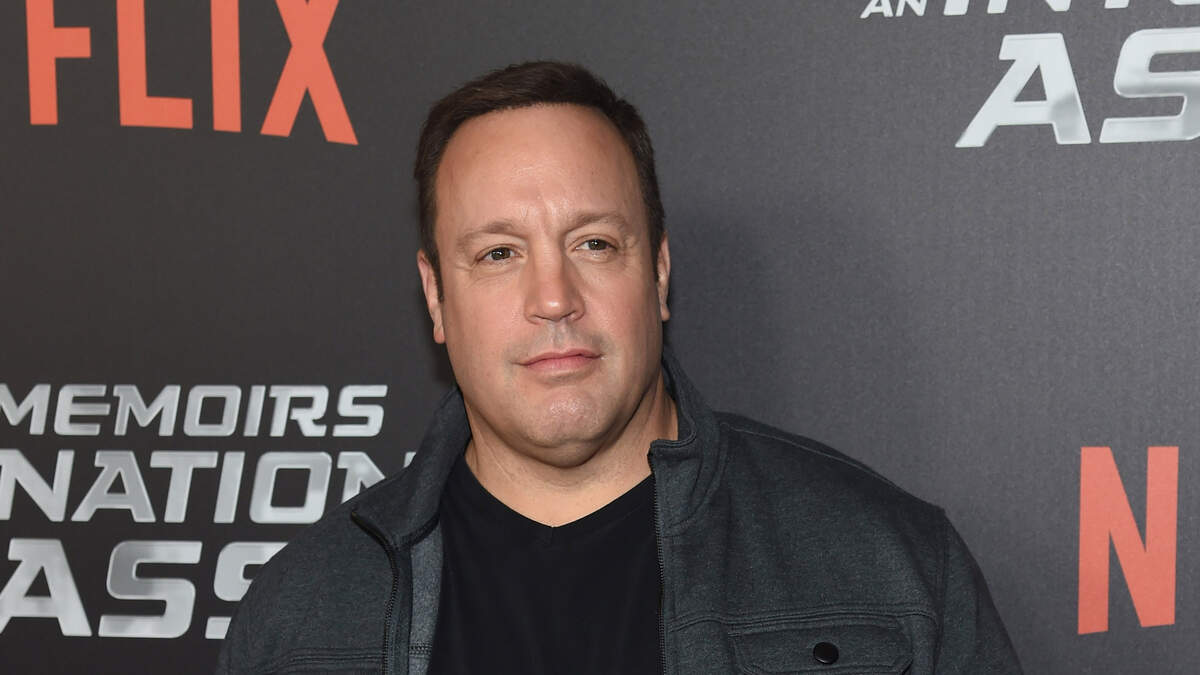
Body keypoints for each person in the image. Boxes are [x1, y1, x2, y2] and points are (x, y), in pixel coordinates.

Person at [217, 61, 1022, 674]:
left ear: (659, 272)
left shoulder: (889, 565)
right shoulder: (302, 617)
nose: (554, 297)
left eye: (594, 243)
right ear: (435, 296)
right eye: (498, 253)